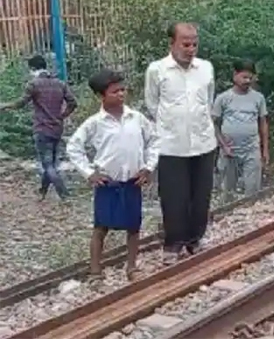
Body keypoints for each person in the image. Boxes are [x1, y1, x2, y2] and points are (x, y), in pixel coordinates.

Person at [66, 69, 158, 280]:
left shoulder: (137, 118)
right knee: (101, 227)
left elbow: (154, 141)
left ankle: (132, 268)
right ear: (101, 96)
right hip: (108, 183)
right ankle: (95, 270)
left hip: (133, 181)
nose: (121, 94)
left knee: (133, 227)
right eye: (115, 91)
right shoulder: (94, 123)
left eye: (123, 90)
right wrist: (89, 173)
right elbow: (73, 147)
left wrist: (149, 167)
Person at [144, 22, 217, 265]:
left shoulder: (205, 68)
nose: (191, 48)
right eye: (185, 44)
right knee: (174, 196)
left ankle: (195, 239)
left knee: (200, 195)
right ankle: (173, 243)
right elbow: (152, 104)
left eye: (194, 43)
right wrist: (172, 124)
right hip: (171, 144)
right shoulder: (157, 70)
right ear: (172, 43)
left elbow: (208, 100)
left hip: (203, 142)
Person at [0, 55, 77, 200]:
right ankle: (42, 192)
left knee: (48, 165)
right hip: (57, 129)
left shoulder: (34, 84)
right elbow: (73, 103)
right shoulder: (60, 83)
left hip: (42, 128)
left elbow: (21, 103)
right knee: (51, 163)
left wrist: (3, 106)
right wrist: (62, 116)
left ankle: (65, 195)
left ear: (32, 69)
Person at [212, 59, 269, 200]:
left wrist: (265, 149)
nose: (247, 81)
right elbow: (213, 124)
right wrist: (223, 145)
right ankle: (227, 217)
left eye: (250, 78)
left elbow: (263, 123)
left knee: (253, 189)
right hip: (229, 150)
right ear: (235, 75)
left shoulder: (258, 98)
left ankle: (251, 216)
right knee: (227, 191)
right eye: (244, 77)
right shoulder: (223, 98)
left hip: (251, 148)